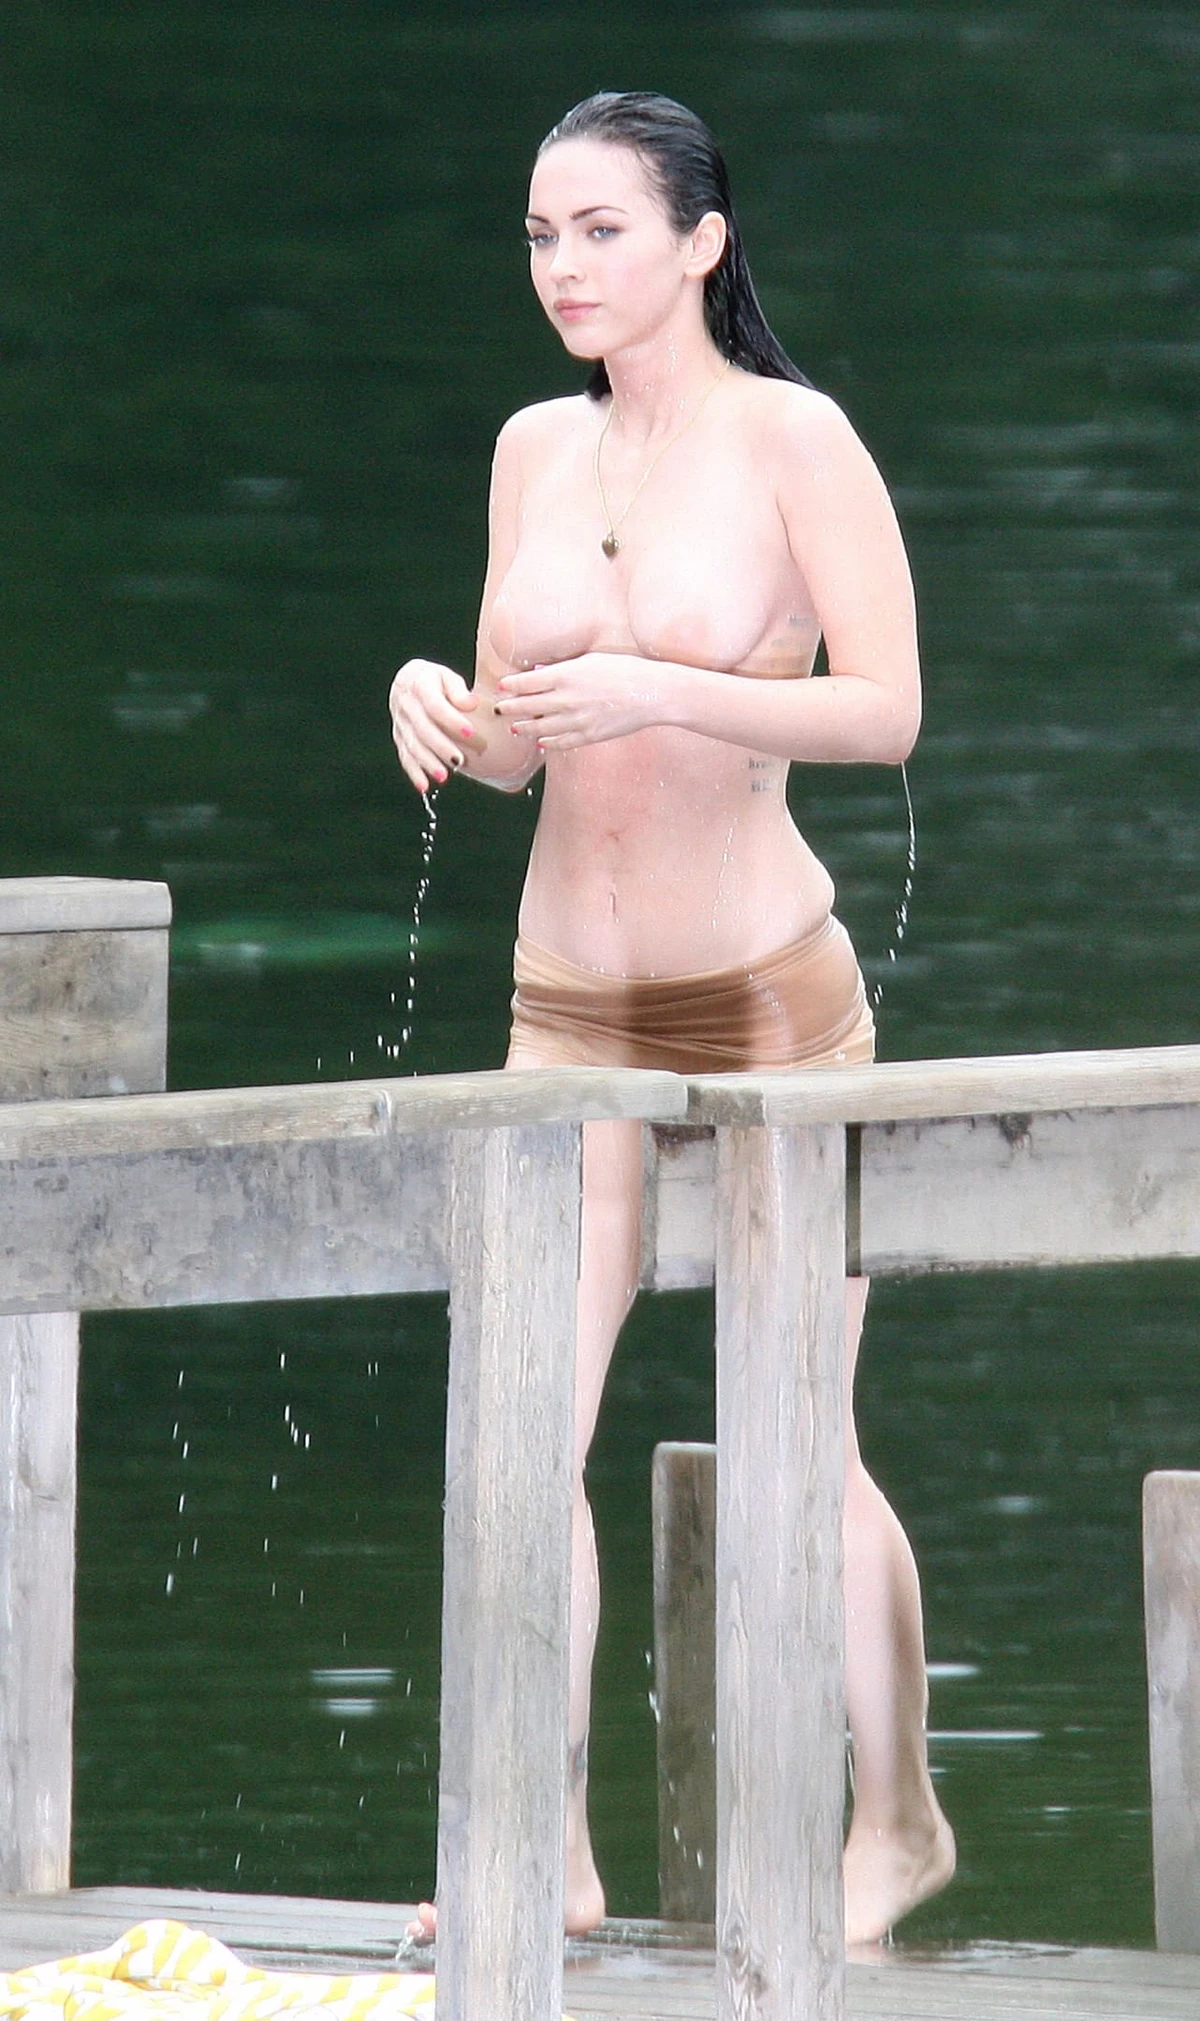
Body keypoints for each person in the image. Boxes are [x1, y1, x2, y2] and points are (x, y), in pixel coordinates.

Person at [388, 90, 955, 1948]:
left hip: (765, 997)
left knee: (803, 1437)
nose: (562, 267)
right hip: (567, 1008)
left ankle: (899, 1820)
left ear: (702, 243)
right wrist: (436, 707)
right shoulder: (532, 448)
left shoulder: (795, 438)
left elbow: (885, 712)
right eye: (540, 236)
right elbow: (512, 743)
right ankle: (541, 1854)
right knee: (520, 1434)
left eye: (601, 230)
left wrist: (665, 688)